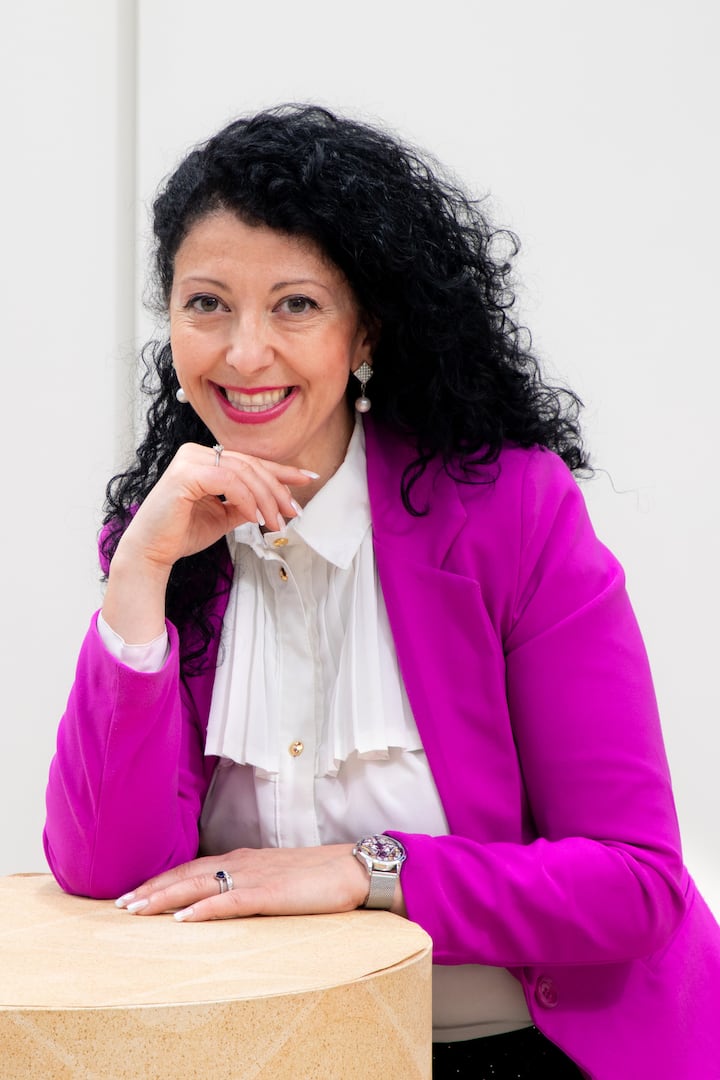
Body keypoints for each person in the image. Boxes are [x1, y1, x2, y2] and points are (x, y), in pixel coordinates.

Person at [44, 104, 720, 1079]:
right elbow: (104, 872)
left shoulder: (511, 513)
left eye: (295, 305)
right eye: (207, 304)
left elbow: (634, 883)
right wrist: (137, 577)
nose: (244, 354)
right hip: (267, 1059)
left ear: (366, 332)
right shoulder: (169, 542)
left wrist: (362, 870)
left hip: (517, 1051)